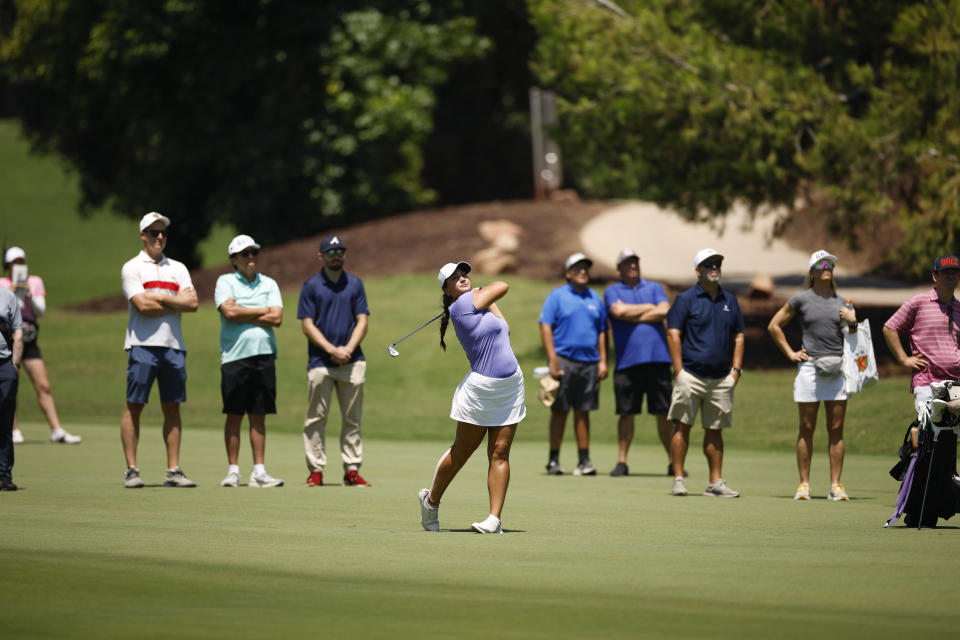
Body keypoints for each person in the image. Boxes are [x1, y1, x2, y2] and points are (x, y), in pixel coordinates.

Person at [418, 261, 526, 534]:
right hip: (481, 391)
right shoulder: (462, 307)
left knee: (500, 452)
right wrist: (480, 292)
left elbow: (506, 329)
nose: (462, 278)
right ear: (447, 290)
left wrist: (483, 296)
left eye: (464, 274)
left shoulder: (476, 302)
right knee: (463, 451)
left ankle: (494, 519)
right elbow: (503, 285)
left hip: (510, 386)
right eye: (454, 278)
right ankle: (431, 501)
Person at [768, 250, 857, 501]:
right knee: (807, 427)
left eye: (830, 264)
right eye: (821, 264)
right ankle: (804, 484)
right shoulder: (801, 300)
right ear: (813, 271)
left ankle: (836, 485)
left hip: (837, 368)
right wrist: (790, 353)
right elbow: (774, 325)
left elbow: (853, 339)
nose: (827, 268)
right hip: (810, 368)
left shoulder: (844, 301)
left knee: (836, 427)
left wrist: (852, 321)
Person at [120, 212, 199, 488]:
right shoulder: (132, 267)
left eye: (163, 232)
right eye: (153, 232)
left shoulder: (178, 268)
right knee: (135, 406)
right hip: (142, 345)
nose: (159, 237)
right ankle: (132, 470)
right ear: (143, 235)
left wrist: (156, 296)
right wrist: (173, 299)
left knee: (172, 408)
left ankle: (173, 471)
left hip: (174, 346)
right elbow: (141, 306)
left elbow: (192, 304)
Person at [666, 248, 744, 498]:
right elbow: (673, 333)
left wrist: (736, 371)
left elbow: (739, 335)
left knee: (715, 430)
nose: (714, 268)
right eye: (709, 264)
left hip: (721, 378)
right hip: (690, 374)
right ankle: (678, 478)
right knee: (682, 426)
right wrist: (678, 371)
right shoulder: (685, 299)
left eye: (718, 264)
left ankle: (715, 482)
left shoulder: (730, 300)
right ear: (697, 271)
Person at [298, 234, 371, 487]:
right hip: (320, 362)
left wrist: (348, 349)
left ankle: (352, 470)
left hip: (353, 361)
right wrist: (332, 349)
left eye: (340, 251)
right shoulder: (311, 286)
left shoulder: (355, 284)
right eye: (330, 252)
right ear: (321, 256)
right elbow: (307, 325)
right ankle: (315, 470)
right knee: (316, 418)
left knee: (352, 419)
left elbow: (362, 320)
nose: (336, 256)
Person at [215, 235, 284, 488]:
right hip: (235, 356)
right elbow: (229, 313)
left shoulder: (269, 283)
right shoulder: (225, 281)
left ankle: (259, 472)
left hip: (264, 354)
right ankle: (233, 471)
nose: (251, 257)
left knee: (259, 414)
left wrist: (244, 311)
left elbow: (277, 318)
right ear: (234, 259)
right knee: (234, 414)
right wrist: (262, 310)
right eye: (245, 254)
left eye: (254, 252)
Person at [603, 248, 674, 477]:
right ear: (619, 268)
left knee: (663, 412)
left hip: (658, 359)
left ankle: (674, 461)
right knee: (627, 412)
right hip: (627, 362)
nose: (632, 266)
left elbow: (665, 310)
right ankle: (622, 461)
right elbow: (618, 311)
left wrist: (633, 313)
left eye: (635, 262)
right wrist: (648, 308)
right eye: (627, 263)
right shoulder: (612, 290)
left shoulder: (654, 287)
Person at [1, 247, 81, 444]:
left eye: (21, 261)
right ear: (8, 265)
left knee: (43, 385)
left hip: (30, 338)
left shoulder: (34, 281)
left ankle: (56, 430)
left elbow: (41, 311)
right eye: (14, 262)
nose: (18, 265)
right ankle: (13, 429)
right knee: (11, 384)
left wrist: (28, 294)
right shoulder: (2, 284)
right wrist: (9, 294)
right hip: (8, 340)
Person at [539, 252, 607, 476]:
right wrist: (552, 359)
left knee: (583, 412)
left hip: (589, 363)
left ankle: (584, 461)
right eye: (577, 268)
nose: (583, 271)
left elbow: (601, 332)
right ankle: (553, 460)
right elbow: (546, 326)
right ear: (568, 273)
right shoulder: (557, 296)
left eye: (585, 268)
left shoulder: (595, 298)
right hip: (564, 361)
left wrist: (603, 361)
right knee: (560, 411)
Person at [883, 255, 960, 417]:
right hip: (927, 382)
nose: (950, 275)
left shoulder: (959, 308)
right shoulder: (918, 302)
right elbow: (890, 328)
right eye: (946, 272)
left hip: (956, 383)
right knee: (931, 432)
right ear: (935, 276)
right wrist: (904, 359)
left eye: (954, 272)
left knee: (952, 435)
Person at [0, 286, 23, 491]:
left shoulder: (7, 296)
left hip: (5, 364)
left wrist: (15, 364)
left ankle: (4, 474)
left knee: (5, 421)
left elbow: (17, 330)